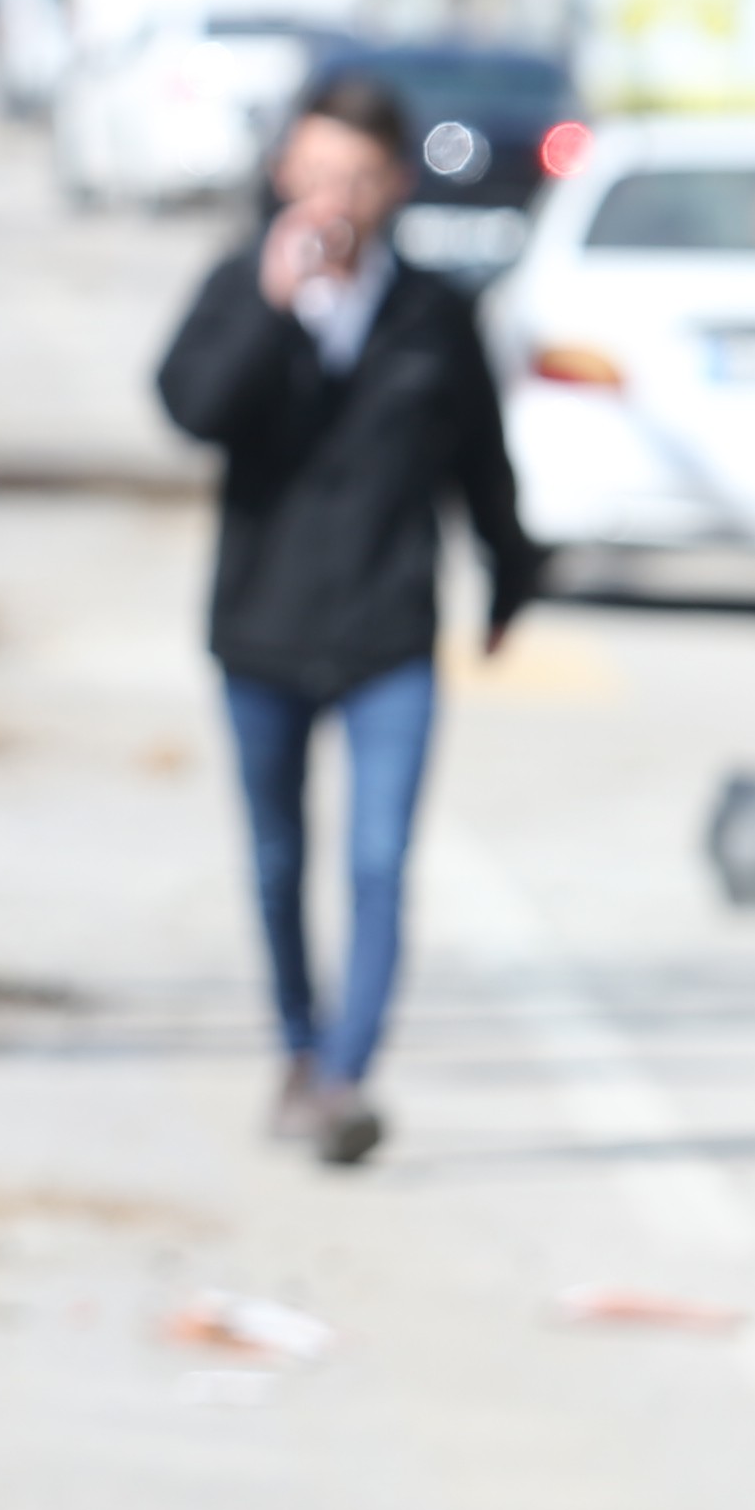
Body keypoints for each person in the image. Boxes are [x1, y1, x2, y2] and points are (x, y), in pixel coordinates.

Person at [152, 72, 542, 1171]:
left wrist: (511, 583)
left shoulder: (435, 315)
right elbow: (190, 410)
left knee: (379, 860)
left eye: (361, 179)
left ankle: (343, 1077)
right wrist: (272, 312)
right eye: (319, 175)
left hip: (388, 634)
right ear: (286, 177)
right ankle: (294, 1039)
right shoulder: (239, 288)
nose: (338, 199)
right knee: (279, 859)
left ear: (397, 187)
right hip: (262, 631)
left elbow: (486, 469)